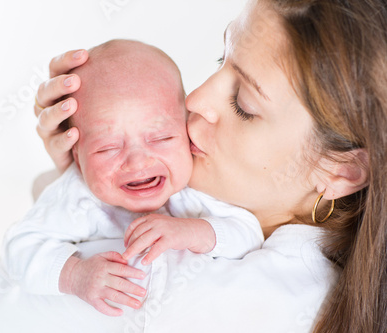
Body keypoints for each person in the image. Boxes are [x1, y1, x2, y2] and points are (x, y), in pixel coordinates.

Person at [34, 0, 386, 332]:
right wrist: (79, 169)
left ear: (341, 171)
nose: (194, 99)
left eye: (243, 104)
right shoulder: (205, 197)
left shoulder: (264, 302)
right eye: (222, 59)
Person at [3, 39, 263, 317]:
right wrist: (74, 275)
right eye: (108, 148)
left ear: (187, 130)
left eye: (161, 138)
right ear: (77, 156)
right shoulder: (78, 196)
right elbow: (18, 247)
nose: (138, 162)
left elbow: (250, 234)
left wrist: (193, 231)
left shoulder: (195, 186)